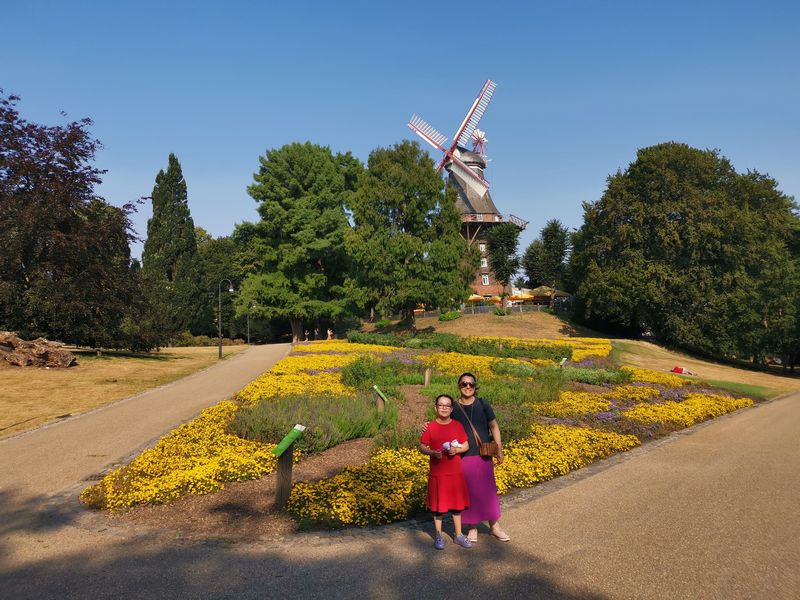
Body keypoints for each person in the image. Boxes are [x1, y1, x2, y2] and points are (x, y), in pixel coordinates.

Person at [451, 372, 510, 543]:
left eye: (471, 384)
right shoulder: (454, 408)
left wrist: (499, 449)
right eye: (464, 384)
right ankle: (472, 527)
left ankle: (494, 526)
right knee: (469, 492)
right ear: (459, 386)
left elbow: (494, 426)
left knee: (488, 491)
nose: (468, 387)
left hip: (484, 454)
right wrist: (428, 426)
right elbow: (444, 424)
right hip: (464, 455)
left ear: (475, 386)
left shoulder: (483, 403)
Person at [419, 394, 472, 550]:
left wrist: (456, 450)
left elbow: (466, 445)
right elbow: (421, 446)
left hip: (455, 473)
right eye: (441, 405)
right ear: (435, 407)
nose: (444, 408)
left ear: (451, 409)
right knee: (438, 508)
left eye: (447, 405)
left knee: (457, 507)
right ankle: (439, 535)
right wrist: (432, 453)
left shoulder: (457, 425)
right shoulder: (430, 427)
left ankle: (458, 535)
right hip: (438, 474)